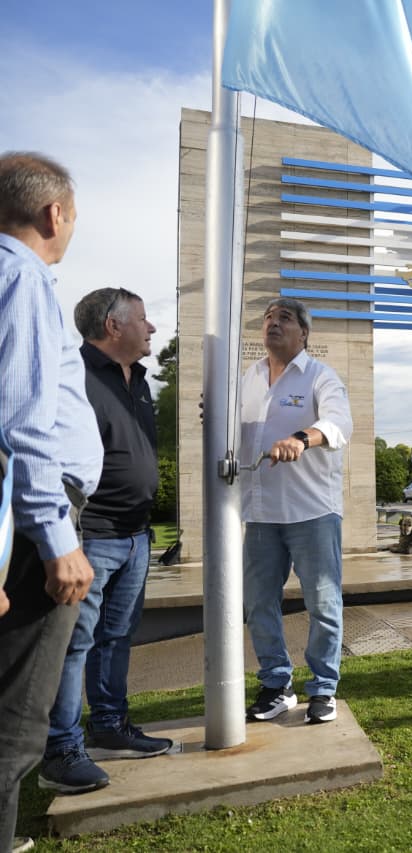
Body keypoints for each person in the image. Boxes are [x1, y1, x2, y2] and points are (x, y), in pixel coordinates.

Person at [0, 152, 102, 853]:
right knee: (14, 715)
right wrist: (56, 535)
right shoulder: (26, 277)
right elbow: (22, 421)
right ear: (53, 213)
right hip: (35, 525)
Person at [38, 288, 173, 796]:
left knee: (117, 637)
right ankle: (61, 750)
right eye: (144, 318)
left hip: (137, 535)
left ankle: (110, 728)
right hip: (90, 536)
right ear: (113, 327)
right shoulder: (73, 378)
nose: (152, 328)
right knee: (74, 644)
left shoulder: (138, 380)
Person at [241, 297, 353, 723]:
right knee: (258, 603)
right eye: (269, 317)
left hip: (313, 511)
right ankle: (277, 684)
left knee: (323, 602)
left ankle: (323, 688)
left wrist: (303, 439)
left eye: (284, 318)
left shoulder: (320, 376)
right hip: (262, 512)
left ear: (303, 333)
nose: (273, 323)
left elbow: (340, 422)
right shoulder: (248, 379)